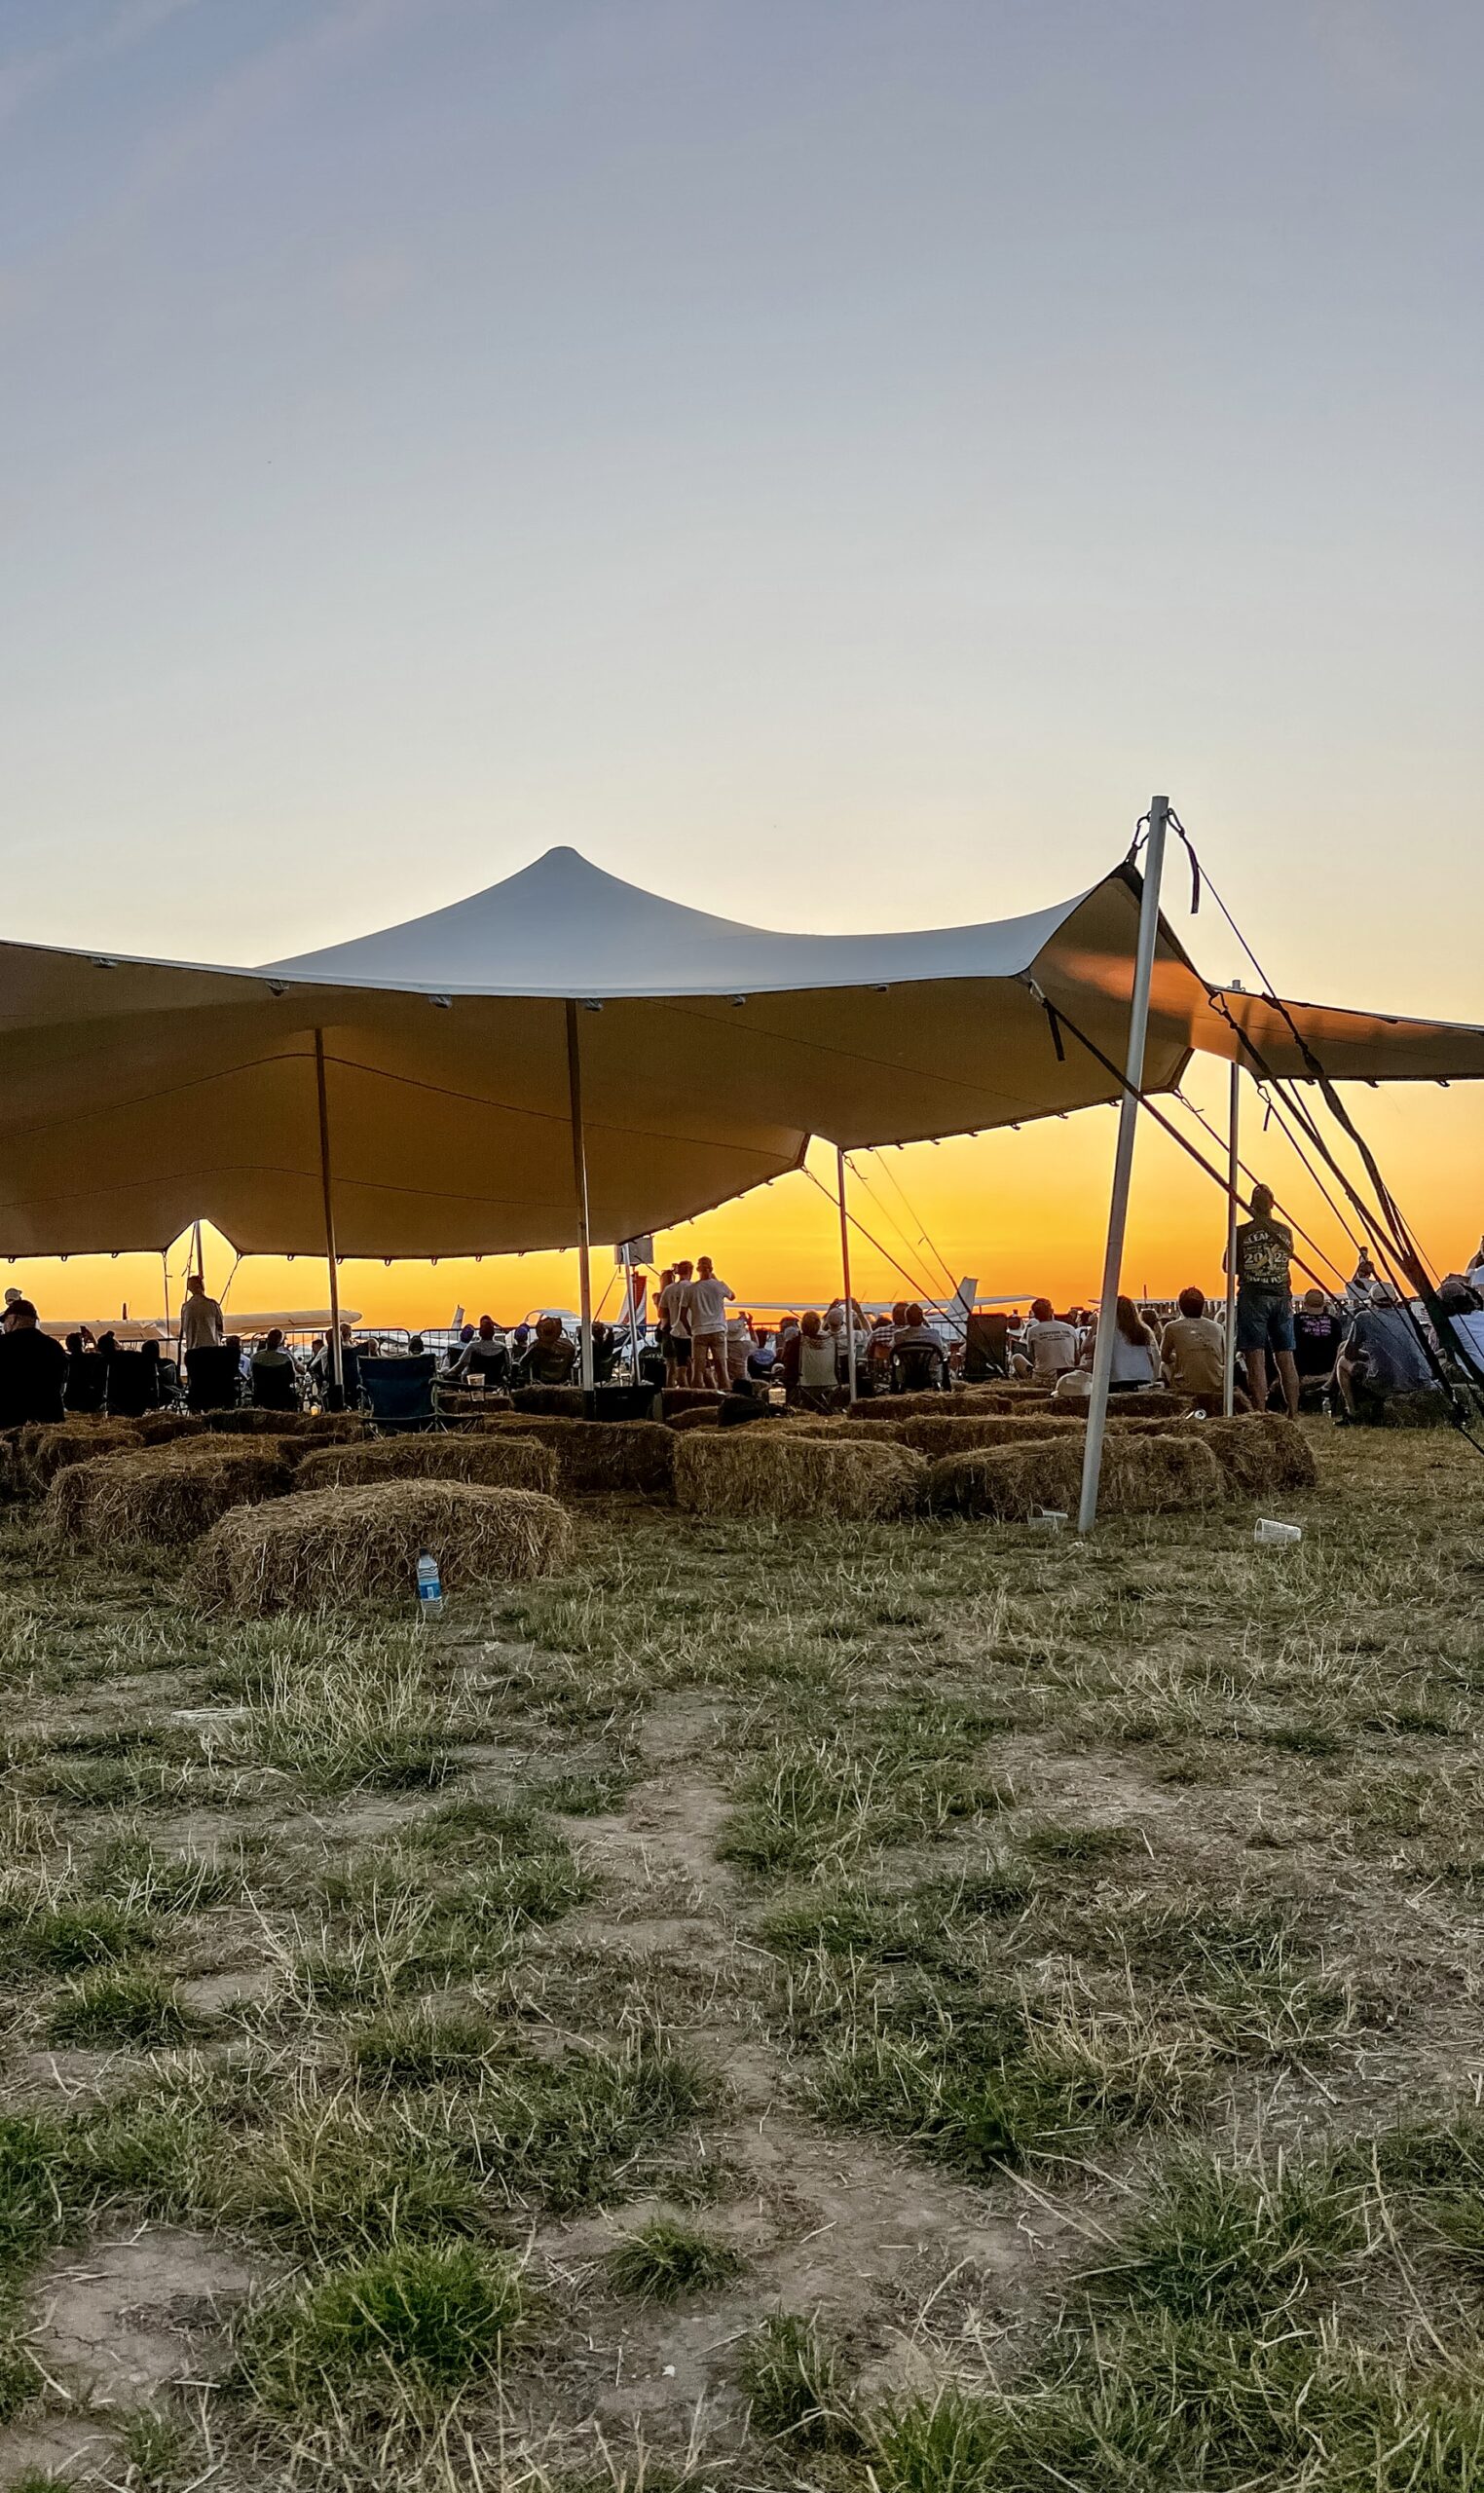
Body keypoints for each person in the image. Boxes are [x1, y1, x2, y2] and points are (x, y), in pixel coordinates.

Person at [1227, 1183, 1300, 1420]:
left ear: (1251, 1206)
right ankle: (1293, 1413)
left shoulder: (1241, 1232)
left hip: (1253, 1296)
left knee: (1255, 1355)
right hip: (1281, 1296)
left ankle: (1260, 1411)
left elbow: (1229, 1266)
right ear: (1272, 1205)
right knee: (1285, 1356)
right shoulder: (1285, 1231)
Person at [1335, 1291, 1436, 1423]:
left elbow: (1349, 1354)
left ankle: (1352, 1412)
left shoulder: (1364, 1318)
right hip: (1420, 1380)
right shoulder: (1408, 1316)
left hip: (1387, 1383)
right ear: (1395, 1300)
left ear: (1371, 1302)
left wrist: (1365, 1355)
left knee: (1342, 1362)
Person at [0, 1299, 68, 1428]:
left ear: (13, 1319)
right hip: (48, 1420)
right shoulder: (54, 1347)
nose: (4, 1326)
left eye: (5, 1321)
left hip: (9, 1420)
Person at [1160, 1286, 1228, 1405]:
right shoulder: (1218, 1327)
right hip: (1216, 1384)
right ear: (1202, 1306)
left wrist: (1179, 1356)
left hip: (1186, 1386)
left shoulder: (1172, 1328)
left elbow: (1164, 1357)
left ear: (1180, 1307)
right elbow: (1224, 1357)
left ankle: (1171, 1400)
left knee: (1163, 1366)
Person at [1083, 1296, 1159, 1392]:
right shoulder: (1143, 1331)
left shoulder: (1108, 1332)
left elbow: (1085, 1349)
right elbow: (1152, 1357)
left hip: (1117, 1378)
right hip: (1143, 1376)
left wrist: (1093, 1328)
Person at [1291, 1288, 1346, 1407]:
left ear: (1305, 1304)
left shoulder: (1294, 1321)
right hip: (1329, 1371)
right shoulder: (1334, 1322)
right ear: (1323, 1304)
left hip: (1301, 1372)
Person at [686, 1255, 733, 1391]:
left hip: (699, 1330)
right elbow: (732, 1296)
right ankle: (726, 1393)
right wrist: (715, 1278)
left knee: (698, 1368)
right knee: (721, 1366)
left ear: (697, 1269)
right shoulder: (719, 1286)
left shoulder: (691, 1289)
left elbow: (683, 1313)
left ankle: (697, 1395)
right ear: (711, 1269)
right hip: (718, 1329)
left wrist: (689, 1329)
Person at [178, 1273, 225, 1406]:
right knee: (211, 1383)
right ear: (201, 1286)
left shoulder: (185, 1308)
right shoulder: (213, 1305)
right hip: (211, 1351)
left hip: (193, 1352)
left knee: (196, 1384)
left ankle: (197, 1408)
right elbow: (220, 1327)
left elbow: (184, 1328)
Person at [1016, 1297, 1080, 1383]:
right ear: (1052, 1311)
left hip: (1043, 1378)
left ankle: (1027, 1383)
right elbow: (1077, 1356)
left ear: (1035, 1316)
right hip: (1067, 1376)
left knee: (1016, 1358)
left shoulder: (1033, 1331)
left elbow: (1033, 1357)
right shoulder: (1070, 1328)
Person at [658, 1262, 694, 1384]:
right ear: (690, 1271)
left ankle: (680, 1391)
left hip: (675, 1331)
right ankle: (695, 1389)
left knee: (679, 1365)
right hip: (694, 1330)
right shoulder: (694, 1287)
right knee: (695, 1364)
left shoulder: (669, 1290)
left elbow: (661, 1313)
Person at [453, 1315, 508, 1389]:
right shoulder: (502, 1347)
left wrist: (447, 1372)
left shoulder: (472, 1347)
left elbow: (460, 1366)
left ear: (480, 1332)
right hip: (496, 1384)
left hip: (475, 1385)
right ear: (493, 1332)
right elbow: (507, 1368)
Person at [62, 1329, 107, 1415]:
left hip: (72, 1399)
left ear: (68, 1346)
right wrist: (93, 1340)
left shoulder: (67, 1359)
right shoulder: (93, 1358)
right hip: (91, 1399)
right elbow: (103, 1354)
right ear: (82, 1344)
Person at [523, 1315, 576, 1388]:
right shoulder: (568, 1345)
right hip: (563, 1383)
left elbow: (523, 1362)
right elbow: (572, 1361)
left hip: (541, 1384)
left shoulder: (535, 1346)